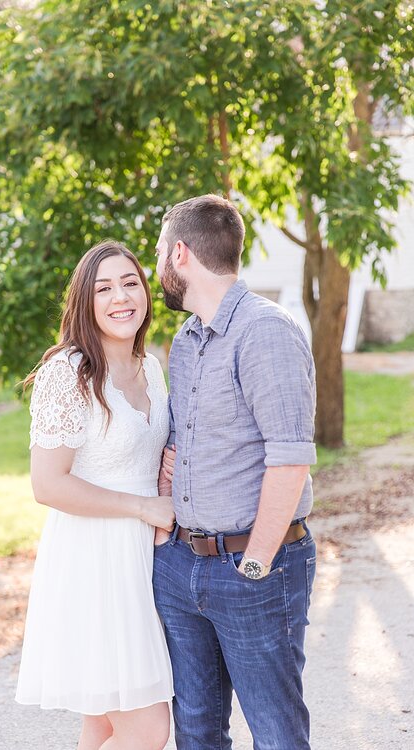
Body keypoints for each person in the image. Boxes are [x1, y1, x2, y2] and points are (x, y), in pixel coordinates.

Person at [152, 194, 318, 749]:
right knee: (196, 730)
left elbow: (290, 457)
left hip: (253, 567)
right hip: (182, 565)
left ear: (179, 253)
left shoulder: (265, 330)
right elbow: (187, 442)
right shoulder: (186, 341)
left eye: (158, 255)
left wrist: (254, 566)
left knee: (275, 733)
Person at [16, 240, 177, 750]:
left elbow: (150, 455)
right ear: (85, 301)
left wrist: (167, 479)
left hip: (142, 561)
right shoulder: (68, 373)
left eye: (130, 283)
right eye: (104, 288)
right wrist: (144, 506)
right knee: (148, 728)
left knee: (104, 725)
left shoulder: (150, 366)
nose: (121, 297)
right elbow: (48, 484)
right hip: (93, 565)